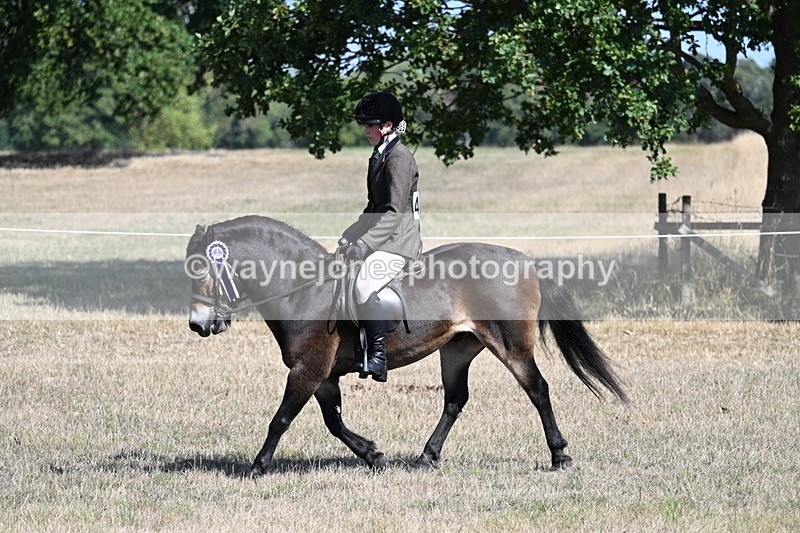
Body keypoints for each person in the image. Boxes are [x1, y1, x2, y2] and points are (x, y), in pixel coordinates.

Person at [339, 91, 422, 382]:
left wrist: (365, 244)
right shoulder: (379, 156)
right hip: (381, 236)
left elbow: (394, 212)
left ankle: (377, 355)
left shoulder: (399, 158)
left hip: (398, 242)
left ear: (386, 126)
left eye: (369, 125)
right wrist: (351, 235)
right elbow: (373, 207)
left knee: (363, 286)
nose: (365, 130)